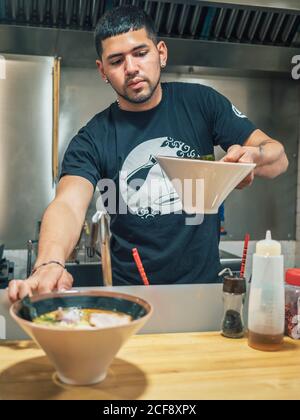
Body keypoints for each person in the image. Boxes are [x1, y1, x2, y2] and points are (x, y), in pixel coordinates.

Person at [8, 5, 288, 302]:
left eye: (140, 53)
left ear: (161, 53)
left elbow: (277, 157)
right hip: (133, 299)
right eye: (116, 61)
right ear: (103, 70)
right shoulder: (93, 137)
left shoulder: (202, 104)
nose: (131, 68)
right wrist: (50, 262)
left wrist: (252, 158)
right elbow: (67, 204)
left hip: (205, 295)